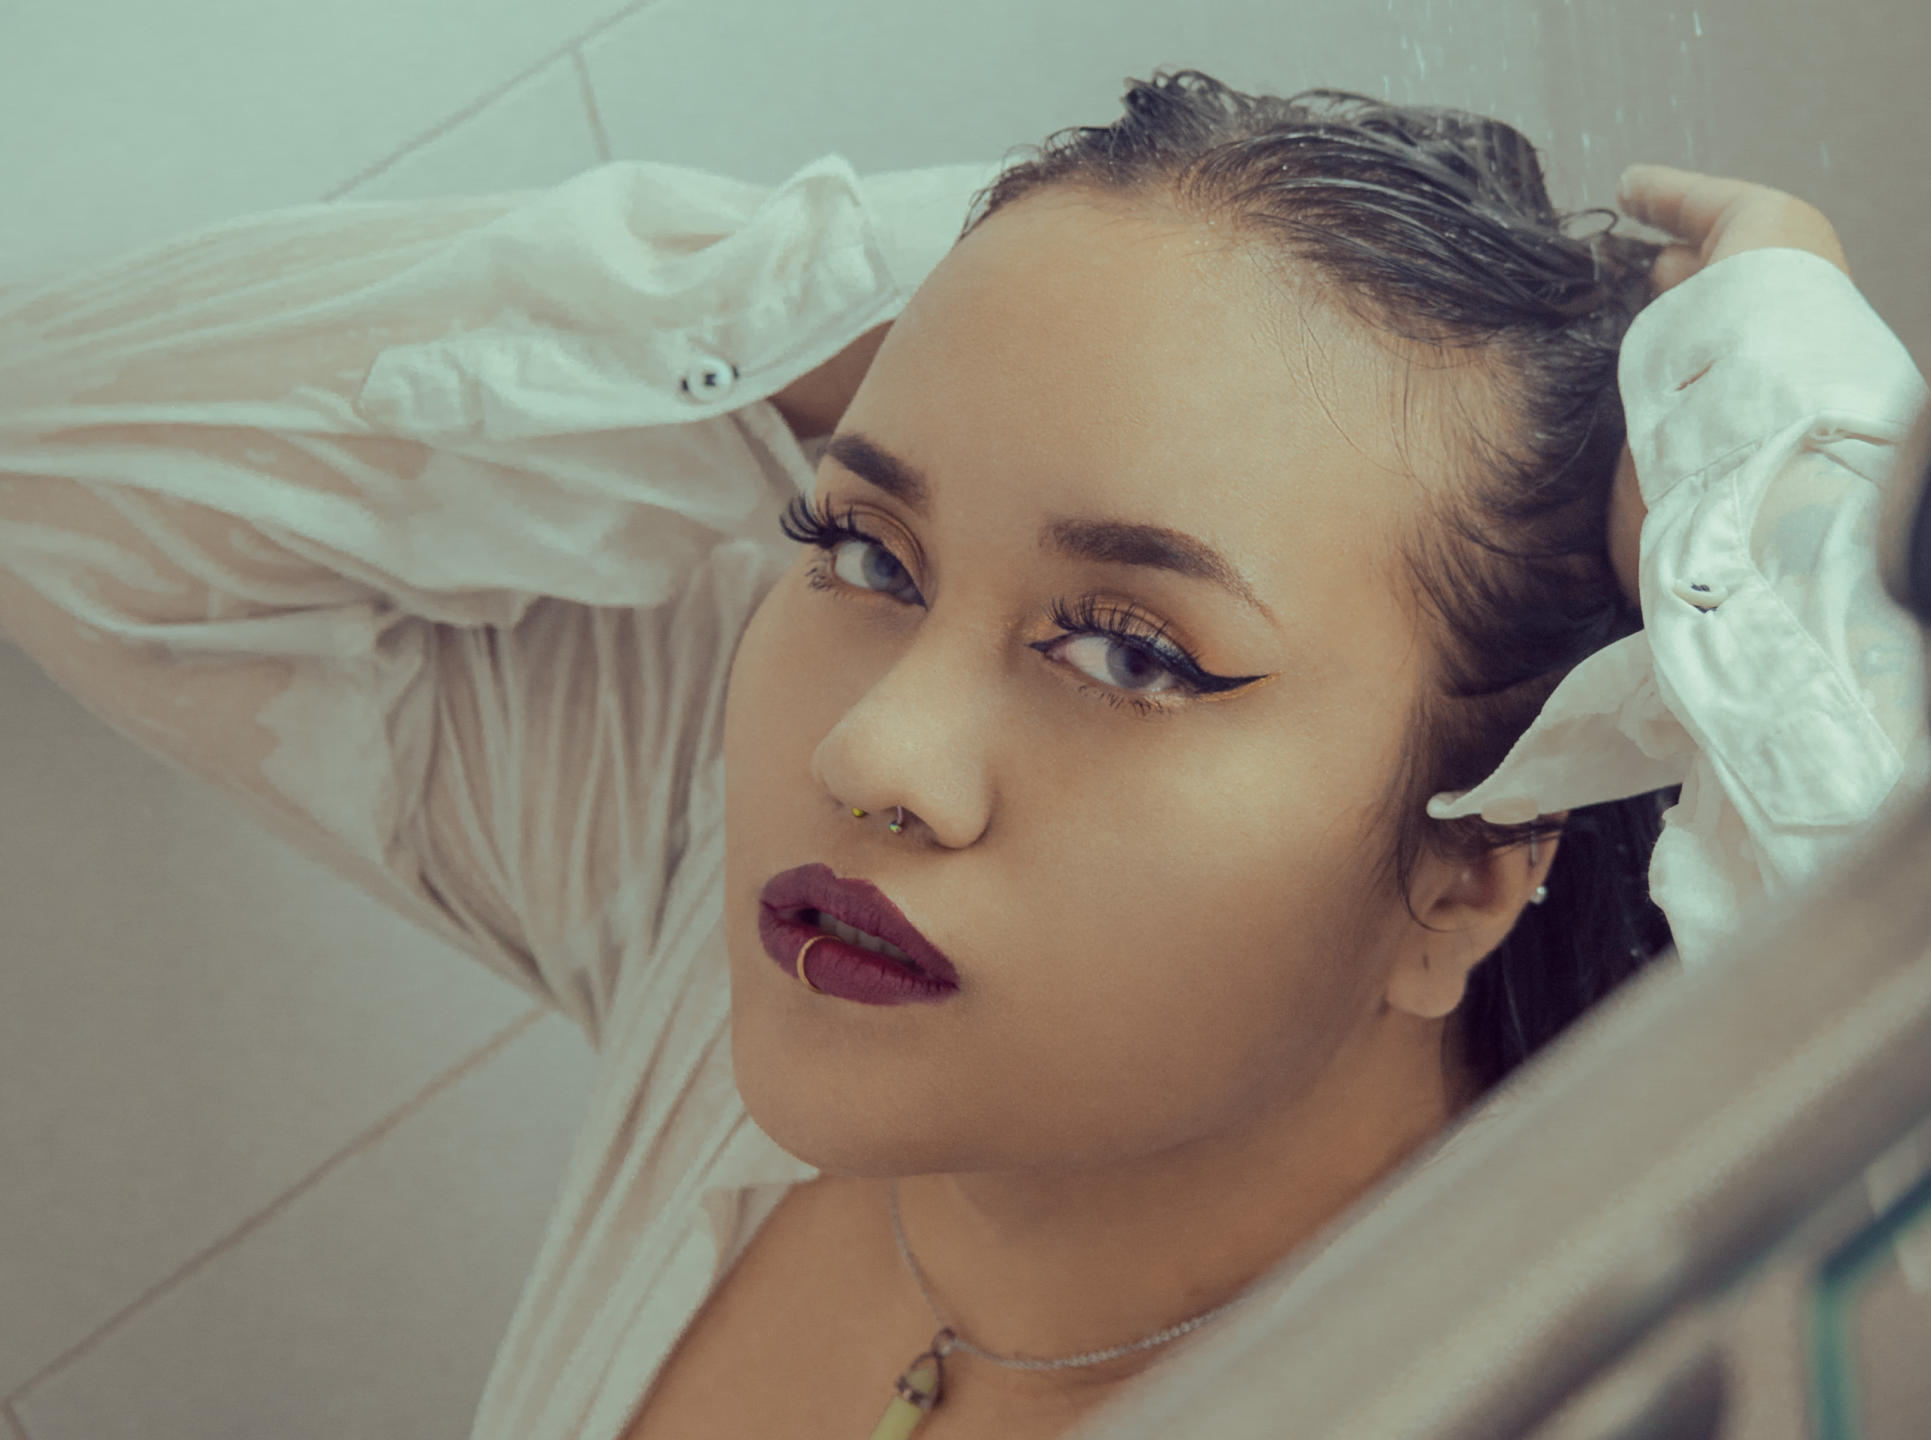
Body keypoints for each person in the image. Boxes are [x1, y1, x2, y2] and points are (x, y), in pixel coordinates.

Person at [0, 69, 1923, 1440]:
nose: (878, 747)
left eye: (1132, 651)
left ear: (1466, 874)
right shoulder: (733, 934)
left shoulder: (1607, 1368)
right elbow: (60, 455)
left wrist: (1777, 542)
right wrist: (1009, 291)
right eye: (861, 548)